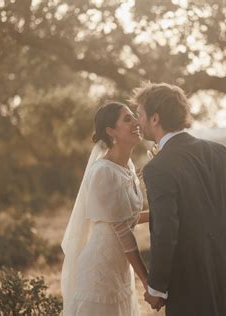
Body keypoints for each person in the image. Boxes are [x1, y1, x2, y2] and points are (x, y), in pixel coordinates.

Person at [132, 82, 226, 316]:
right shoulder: (219, 151)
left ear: (155, 119)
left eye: (140, 114)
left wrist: (157, 287)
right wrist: (223, 250)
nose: (138, 121)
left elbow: (165, 229)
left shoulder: (158, 167)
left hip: (192, 278)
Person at [61, 102, 149, 316]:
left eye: (134, 117)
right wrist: (147, 281)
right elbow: (122, 230)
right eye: (127, 119)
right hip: (101, 268)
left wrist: (167, 213)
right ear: (111, 131)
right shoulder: (103, 172)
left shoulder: (126, 167)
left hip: (120, 267)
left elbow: (128, 217)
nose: (137, 122)